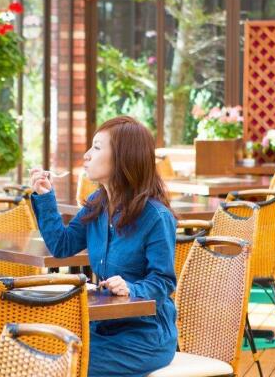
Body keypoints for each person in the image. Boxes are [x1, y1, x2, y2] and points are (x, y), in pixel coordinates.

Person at [30, 116, 177, 377]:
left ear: (123, 157)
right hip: (102, 326)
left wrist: (131, 287)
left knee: (62, 362)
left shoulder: (156, 217)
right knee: (37, 350)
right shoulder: (99, 203)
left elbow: (164, 282)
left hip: (144, 336)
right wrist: (45, 196)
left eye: (97, 147)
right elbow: (62, 246)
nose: (86, 155)